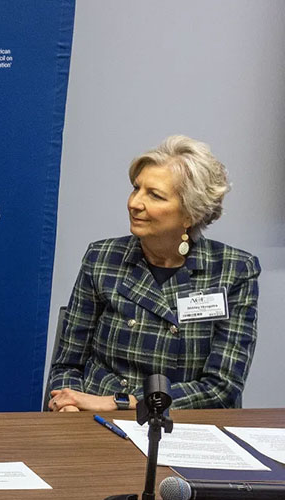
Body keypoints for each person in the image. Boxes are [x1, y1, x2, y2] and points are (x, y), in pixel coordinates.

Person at [48, 136, 259, 411]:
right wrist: (69, 406)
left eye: (154, 195)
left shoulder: (234, 270)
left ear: (190, 214)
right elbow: (67, 364)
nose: (135, 203)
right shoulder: (101, 257)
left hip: (181, 422)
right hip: (93, 419)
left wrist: (121, 403)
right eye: (136, 188)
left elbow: (221, 387)